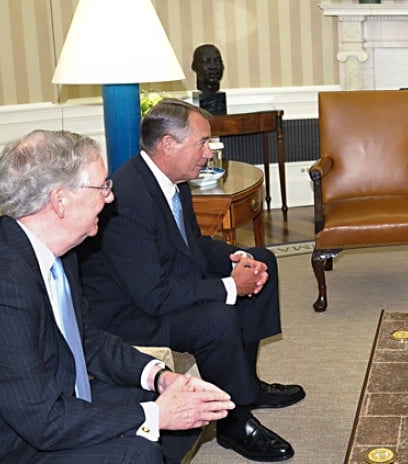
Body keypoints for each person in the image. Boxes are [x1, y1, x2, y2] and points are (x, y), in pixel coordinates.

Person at [0, 130, 234, 463]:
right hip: (13, 443)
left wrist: (161, 378)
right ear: (60, 200)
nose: (110, 197)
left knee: (187, 407)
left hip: (59, 397)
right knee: (139, 452)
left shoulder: (58, 250)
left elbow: (87, 340)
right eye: (102, 187)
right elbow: (43, 422)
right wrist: (154, 414)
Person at [78, 99, 303, 462]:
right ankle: (234, 421)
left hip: (159, 288)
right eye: (202, 143)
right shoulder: (129, 198)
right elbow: (154, 297)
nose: (209, 152)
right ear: (168, 144)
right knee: (216, 317)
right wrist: (230, 286)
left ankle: (247, 383)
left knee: (263, 259)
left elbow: (193, 246)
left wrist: (238, 260)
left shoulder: (174, 180)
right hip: (129, 315)